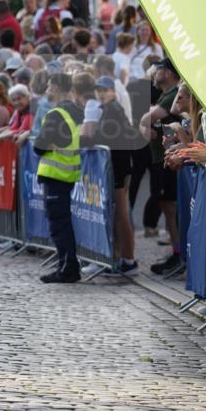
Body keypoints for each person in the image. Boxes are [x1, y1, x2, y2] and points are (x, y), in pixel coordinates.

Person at [81, 76, 139, 274]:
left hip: (119, 167)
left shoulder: (113, 109)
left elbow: (104, 137)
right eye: (98, 90)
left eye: (105, 90)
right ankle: (119, 257)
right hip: (116, 165)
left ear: (113, 91)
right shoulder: (108, 108)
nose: (101, 94)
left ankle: (129, 260)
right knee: (117, 215)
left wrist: (84, 140)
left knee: (122, 215)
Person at [33, 75, 84, 283]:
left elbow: (39, 145)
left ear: (56, 87)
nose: (46, 89)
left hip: (56, 175)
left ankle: (67, 268)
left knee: (59, 225)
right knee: (63, 223)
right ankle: (67, 265)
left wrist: (46, 145)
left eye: (49, 85)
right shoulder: (73, 111)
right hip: (66, 174)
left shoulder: (56, 114)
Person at [139, 60, 182, 276]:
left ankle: (180, 254)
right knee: (167, 206)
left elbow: (146, 118)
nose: (155, 73)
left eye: (159, 70)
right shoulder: (165, 94)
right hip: (162, 159)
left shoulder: (173, 93)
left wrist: (144, 125)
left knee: (171, 207)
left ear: (169, 73)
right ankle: (177, 252)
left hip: (171, 160)